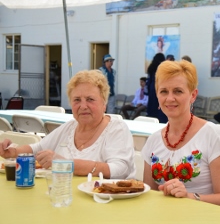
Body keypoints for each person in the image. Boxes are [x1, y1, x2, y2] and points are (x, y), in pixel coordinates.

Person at [0, 70, 136, 179]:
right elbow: (38, 148)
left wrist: (65, 164)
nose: (83, 106)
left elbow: (120, 170)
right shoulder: (70, 127)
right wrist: (14, 152)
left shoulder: (116, 128)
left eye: (90, 99)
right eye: (77, 100)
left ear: (104, 103)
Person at [142, 60, 220, 208]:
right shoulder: (153, 140)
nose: (170, 98)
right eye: (164, 91)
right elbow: (149, 194)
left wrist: (189, 197)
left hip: (201, 222)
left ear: (193, 95)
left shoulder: (212, 135)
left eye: (178, 91)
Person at [146, 53, 168, 123]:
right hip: (160, 88)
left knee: (152, 109)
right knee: (160, 109)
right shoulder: (162, 68)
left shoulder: (151, 68)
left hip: (152, 89)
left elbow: (148, 82)